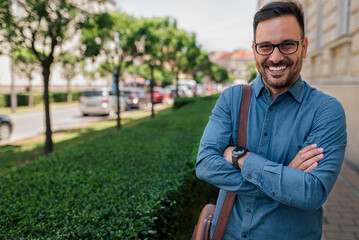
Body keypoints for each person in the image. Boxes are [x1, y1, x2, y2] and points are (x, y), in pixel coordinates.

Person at [195, 1, 347, 239]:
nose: (276, 57)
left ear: (304, 47)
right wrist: (285, 177)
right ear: (255, 50)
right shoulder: (231, 99)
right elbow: (205, 164)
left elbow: (312, 192)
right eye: (265, 46)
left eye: (287, 45)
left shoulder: (326, 111)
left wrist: (241, 158)